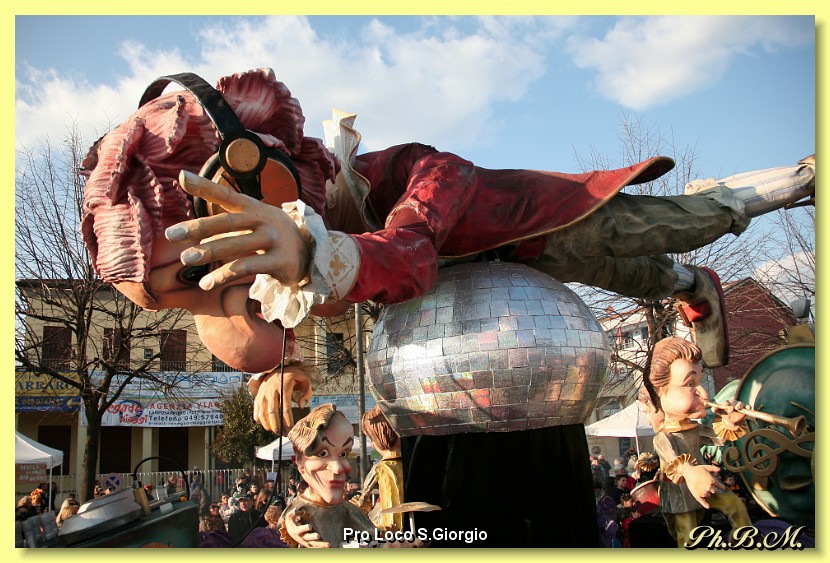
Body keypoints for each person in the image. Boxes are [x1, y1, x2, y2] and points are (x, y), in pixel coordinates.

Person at [79, 67, 814, 547]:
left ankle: (796, 181)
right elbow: (281, 319)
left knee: (662, 227)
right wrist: (285, 363)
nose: (224, 302)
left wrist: (317, 255)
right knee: (637, 273)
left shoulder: (423, 174)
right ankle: (688, 284)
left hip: (537, 229)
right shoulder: (302, 248)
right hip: (497, 327)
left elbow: (410, 255)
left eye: (209, 274)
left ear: (260, 177)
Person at [644, 336, 752, 548]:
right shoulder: (663, 437)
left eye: (700, 382)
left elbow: (718, 437)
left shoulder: (693, 428)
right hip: (680, 493)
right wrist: (689, 472)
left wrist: (729, 422)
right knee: (688, 537)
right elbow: (674, 463)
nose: (703, 393)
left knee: (737, 507)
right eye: (689, 384)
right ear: (660, 392)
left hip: (705, 483)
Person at [277, 403, 375, 548]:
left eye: (343, 454)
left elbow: (375, 538)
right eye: (322, 453)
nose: (337, 468)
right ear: (299, 460)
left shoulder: (349, 511)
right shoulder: (298, 514)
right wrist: (288, 529)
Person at [352, 405, 405, 532]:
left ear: (376, 441)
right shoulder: (408, 463)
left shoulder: (380, 467)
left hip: (386, 522)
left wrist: (358, 506)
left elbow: (364, 495)